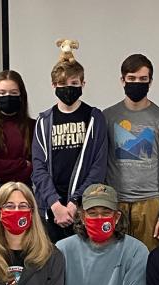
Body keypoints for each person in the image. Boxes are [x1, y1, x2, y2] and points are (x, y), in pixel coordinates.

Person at [104, 53, 159, 251]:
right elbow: (99, 163)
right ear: (122, 80)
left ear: (150, 82)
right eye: (132, 79)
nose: (137, 83)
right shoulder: (107, 117)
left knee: (149, 262)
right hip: (115, 202)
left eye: (143, 79)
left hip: (151, 204)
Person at [32, 54, 108, 243]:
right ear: (53, 85)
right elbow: (38, 167)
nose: (68, 88)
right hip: (52, 209)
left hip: (83, 207)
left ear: (83, 83)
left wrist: (74, 203)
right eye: (62, 83)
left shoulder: (94, 118)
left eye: (74, 83)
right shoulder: (43, 121)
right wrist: (55, 204)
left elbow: (98, 168)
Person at [0, 70, 35, 234]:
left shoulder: (32, 126)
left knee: (23, 244)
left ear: (21, 95)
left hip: (23, 191)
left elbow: (34, 167)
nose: (7, 97)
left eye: (13, 93)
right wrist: (22, 163)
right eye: (2, 93)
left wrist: (2, 166)